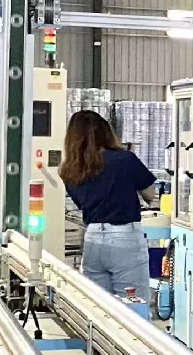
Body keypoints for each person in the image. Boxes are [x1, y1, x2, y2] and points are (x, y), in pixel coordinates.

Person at [58, 110, 157, 298]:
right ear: (105, 132)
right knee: (133, 306)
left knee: (99, 306)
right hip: (124, 239)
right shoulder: (124, 159)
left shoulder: (69, 170)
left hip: (93, 240)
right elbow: (150, 194)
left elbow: (81, 203)